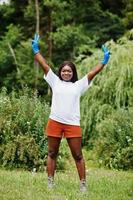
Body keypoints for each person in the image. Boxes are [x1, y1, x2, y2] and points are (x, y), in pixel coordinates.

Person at [31, 34, 110, 192]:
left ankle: (82, 184)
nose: (66, 73)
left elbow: (93, 73)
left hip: (72, 124)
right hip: (54, 122)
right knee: (52, 153)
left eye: (69, 71)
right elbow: (44, 65)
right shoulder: (54, 81)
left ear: (73, 73)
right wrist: (36, 51)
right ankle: (50, 182)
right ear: (60, 72)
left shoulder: (79, 85)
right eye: (64, 71)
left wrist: (103, 61)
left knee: (78, 155)